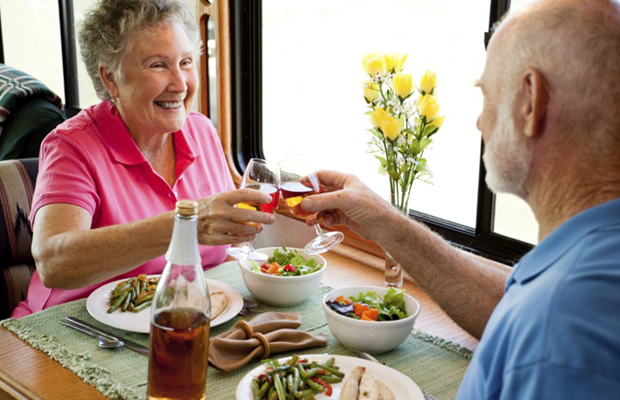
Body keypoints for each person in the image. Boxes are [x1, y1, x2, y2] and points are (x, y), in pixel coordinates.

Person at [301, 0, 620, 398]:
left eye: (486, 96)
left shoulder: (557, 330)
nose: (479, 122)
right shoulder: (586, 265)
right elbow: (512, 305)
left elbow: (543, 324)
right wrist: (386, 222)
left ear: (529, 101)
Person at [12, 0, 274, 318]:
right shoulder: (72, 146)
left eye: (187, 62)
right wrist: (187, 224)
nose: (180, 84)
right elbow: (54, 264)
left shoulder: (202, 130)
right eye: (157, 65)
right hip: (74, 326)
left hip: (175, 319)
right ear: (110, 78)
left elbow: (221, 252)